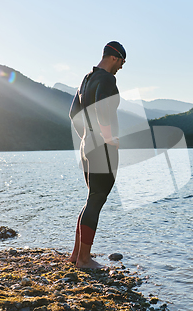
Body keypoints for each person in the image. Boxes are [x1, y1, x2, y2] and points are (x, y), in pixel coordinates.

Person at [68, 41, 126, 268]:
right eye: (122, 61)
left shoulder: (86, 79)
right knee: (97, 198)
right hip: (102, 147)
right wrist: (107, 137)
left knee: (91, 199)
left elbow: (73, 113)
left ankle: (76, 255)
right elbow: (102, 107)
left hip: (87, 145)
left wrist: (86, 136)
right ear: (114, 57)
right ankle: (84, 259)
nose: (121, 67)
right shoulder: (106, 79)